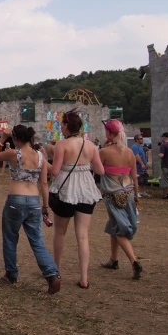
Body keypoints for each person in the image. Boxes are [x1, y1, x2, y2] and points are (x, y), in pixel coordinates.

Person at [0, 125, 61, 294]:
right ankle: (51, 275)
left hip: (16, 198)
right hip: (34, 200)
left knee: (10, 238)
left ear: (16, 139)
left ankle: (11, 273)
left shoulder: (15, 153)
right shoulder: (40, 156)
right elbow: (44, 183)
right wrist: (45, 205)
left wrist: (2, 138)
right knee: (37, 240)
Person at [48, 111, 104, 289]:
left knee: (60, 232)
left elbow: (55, 171)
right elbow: (101, 171)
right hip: (86, 189)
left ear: (66, 126)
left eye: (61, 125)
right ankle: (84, 278)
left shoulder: (61, 145)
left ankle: (56, 270)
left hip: (66, 188)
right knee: (83, 235)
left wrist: (43, 162)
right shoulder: (90, 146)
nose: (60, 127)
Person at [97, 119, 143, 281]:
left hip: (113, 195)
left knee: (119, 230)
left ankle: (134, 261)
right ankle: (114, 259)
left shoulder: (105, 152)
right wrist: (136, 195)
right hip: (129, 192)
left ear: (109, 133)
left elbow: (97, 170)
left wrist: (102, 149)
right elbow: (134, 178)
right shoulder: (129, 152)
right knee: (113, 225)